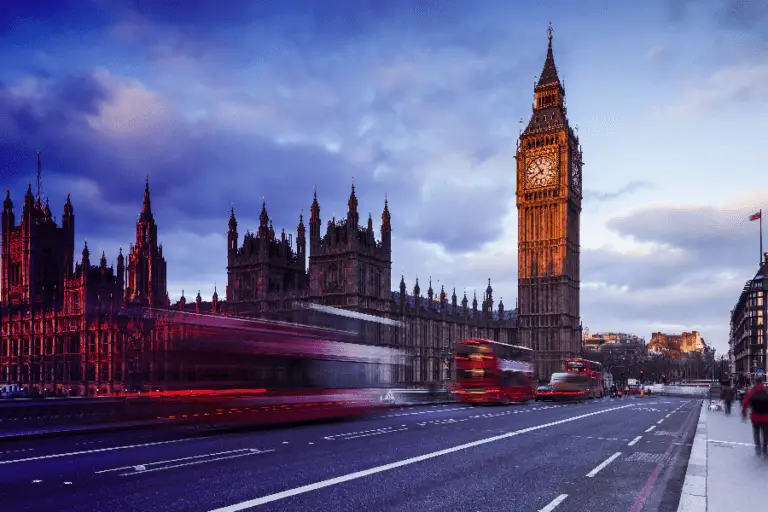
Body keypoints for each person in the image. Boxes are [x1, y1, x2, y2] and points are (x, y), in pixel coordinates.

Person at [742, 376, 768, 456]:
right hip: (766, 417)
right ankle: (765, 449)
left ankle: (758, 450)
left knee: (756, 433)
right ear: (762, 382)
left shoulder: (752, 392)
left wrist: (744, 413)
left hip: (755, 417)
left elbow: (745, 402)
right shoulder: (766, 391)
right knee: (765, 434)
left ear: (755, 382)